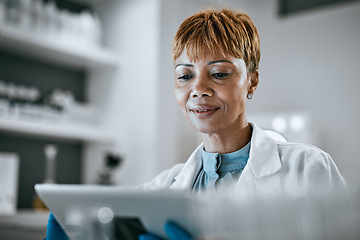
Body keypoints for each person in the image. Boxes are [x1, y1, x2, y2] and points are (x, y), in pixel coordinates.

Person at [45, 8, 346, 240]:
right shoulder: (162, 188)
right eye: (185, 75)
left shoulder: (308, 168)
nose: (198, 89)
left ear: (252, 81)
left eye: (219, 73)